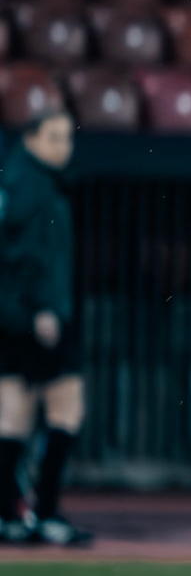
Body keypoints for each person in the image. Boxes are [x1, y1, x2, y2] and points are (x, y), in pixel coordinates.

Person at [0, 109, 89, 547]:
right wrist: (43, 310)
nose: (63, 146)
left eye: (67, 138)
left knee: (12, 419)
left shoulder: (17, 180)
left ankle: (10, 516)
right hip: (37, 318)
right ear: (31, 138)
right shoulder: (34, 188)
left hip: (13, 317)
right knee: (65, 410)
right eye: (53, 136)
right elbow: (31, 259)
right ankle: (47, 512)